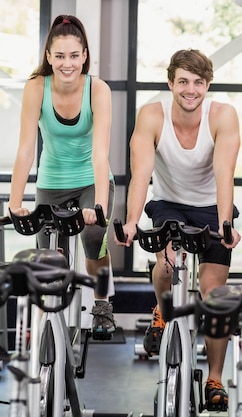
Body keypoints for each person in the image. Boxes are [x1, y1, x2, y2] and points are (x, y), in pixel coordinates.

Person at [115, 49, 241, 412]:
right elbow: (140, 174)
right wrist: (130, 221)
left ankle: (214, 378)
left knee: (214, 294)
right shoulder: (152, 115)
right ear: (170, 83)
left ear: (207, 85)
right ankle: (161, 308)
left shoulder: (222, 115)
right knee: (168, 268)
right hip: (168, 203)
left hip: (211, 206)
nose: (190, 89)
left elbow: (224, 173)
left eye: (198, 83)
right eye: (182, 81)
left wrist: (226, 224)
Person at [8, 14, 116, 339]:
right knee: (48, 261)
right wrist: (15, 203)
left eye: (73, 55)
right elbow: (26, 150)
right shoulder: (36, 87)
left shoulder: (97, 89)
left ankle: (101, 304)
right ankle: (46, 328)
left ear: (84, 55)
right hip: (51, 180)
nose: (67, 64)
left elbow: (100, 154)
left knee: (94, 241)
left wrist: (97, 206)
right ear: (48, 57)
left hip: (90, 178)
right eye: (59, 56)